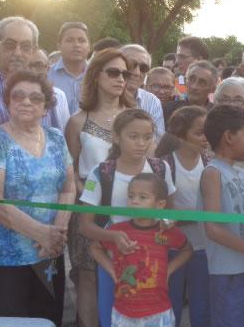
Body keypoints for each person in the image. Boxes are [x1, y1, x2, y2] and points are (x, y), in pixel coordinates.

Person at [79, 108, 177, 327]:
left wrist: (166, 224)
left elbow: (170, 213)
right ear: (116, 137)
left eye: (147, 137)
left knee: (153, 315)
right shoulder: (100, 173)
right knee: (112, 317)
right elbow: (84, 226)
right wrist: (114, 238)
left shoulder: (161, 168)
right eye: (133, 136)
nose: (141, 143)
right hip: (113, 262)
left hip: (152, 262)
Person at [64, 48, 135, 327]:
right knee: (88, 276)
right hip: (89, 211)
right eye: (113, 72)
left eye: (125, 74)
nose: (121, 79)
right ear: (96, 76)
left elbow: (149, 164)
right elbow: (70, 171)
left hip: (129, 210)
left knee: (127, 274)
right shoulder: (78, 121)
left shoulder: (134, 117)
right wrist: (90, 195)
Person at [0, 70, 76, 326]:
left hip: (51, 253)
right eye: (18, 96)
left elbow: (68, 188)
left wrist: (57, 232)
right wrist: (41, 233)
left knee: (49, 319)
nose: (26, 102)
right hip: (9, 259)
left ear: (45, 106)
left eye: (35, 97)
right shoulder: (0, 141)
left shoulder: (56, 137)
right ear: (8, 101)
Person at [89, 173, 192, 327]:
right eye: (131, 196)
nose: (134, 201)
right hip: (123, 314)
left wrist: (169, 270)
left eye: (143, 197)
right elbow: (94, 248)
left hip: (158, 314)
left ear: (160, 204)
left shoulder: (167, 232)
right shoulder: (117, 231)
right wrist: (111, 270)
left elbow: (187, 250)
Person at [200, 104, 244, 327]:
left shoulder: (242, 172)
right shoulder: (212, 173)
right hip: (228, 271)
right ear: (229, 137)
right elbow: (212, 228)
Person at [155, 106, 211, 327]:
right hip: (171, 249)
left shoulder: (209, 162)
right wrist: (199, 215)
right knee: (171, 305)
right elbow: (161, 214)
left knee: (202, 307)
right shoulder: (164, 165)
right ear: (180, 134)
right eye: (199, 133)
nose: (205, 138)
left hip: (203, 248)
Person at [0, 16, 67, 130]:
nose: (18, 53)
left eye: (26, 47)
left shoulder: (47, 92)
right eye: (10, 45)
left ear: (33, 51)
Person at [121, 44, 166, 138]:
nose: (137, 73)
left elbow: (156, 141)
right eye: (131, 65)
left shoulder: (152, 101)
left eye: (143, 68)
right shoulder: (103, 95)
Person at [47, 21, 90, 114]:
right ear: (59, 45)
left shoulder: (99, 76)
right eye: (70, 40)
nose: (76, 45)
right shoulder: (46, 76)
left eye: (82, 40)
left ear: (89, 46)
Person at [30, 48, 70, 131]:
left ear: (47, 69)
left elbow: (66, 130)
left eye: (39, 66)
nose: (33, 71)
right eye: (28, 65)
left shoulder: (59, 95)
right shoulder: (15, 97)